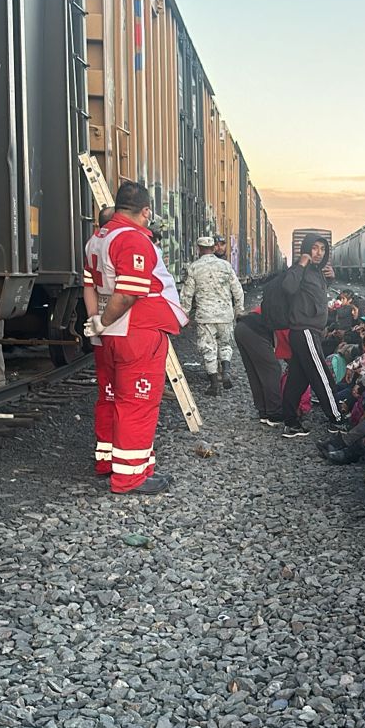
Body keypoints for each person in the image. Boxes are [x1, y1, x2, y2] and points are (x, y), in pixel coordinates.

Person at [82, 181, 188, 495]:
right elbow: (128, 294)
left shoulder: (97, 239)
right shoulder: (133, 241)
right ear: (144, 211)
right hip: (137, 332)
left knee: (111, 398)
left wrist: (96, 323)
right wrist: (104, 321)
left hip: (110, 335)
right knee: (138, 402)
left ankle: (108, 461)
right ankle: (130, 477)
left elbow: (89, 286)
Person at [278, 236, 345, 436]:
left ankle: (290, 423)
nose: (318, 253)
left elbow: (313, 296)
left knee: (298, 379)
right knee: (322, 375)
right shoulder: (300, 269)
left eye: (322, 249)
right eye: (314, 248)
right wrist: (301, 264)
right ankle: (337, 420)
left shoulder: (317, 273)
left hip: (309, 331)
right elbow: (288, 287)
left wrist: (330, 278)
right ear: (306, 250)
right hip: (305, 331)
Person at [182, 235, 245, 396]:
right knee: (225, 344)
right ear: (213, 248)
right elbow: (237, 290)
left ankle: (214, 384)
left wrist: (184, 314)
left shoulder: (194, 268)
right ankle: (226, 371)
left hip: (206, 316)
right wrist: (239, 310)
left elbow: (187, 295)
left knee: (208, 348)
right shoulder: (225, 266)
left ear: (199, 249)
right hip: (225, 314)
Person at [234, 309, 284, 425]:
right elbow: (284, 344)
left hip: (242, 327)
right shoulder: (294, 315)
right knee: (272, 370)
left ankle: (264, 412)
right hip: (255, 331)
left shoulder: (280, 302)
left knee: (255, 372)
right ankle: (274, 413)